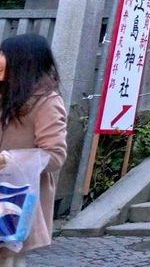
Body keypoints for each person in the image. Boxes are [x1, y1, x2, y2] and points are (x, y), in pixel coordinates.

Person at [0, 34, 67, 265]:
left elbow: (55, 155)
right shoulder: (6, 94)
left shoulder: (46, 101)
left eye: (4, 56)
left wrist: (8, 160)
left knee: (10, 256)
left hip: (17, 195)